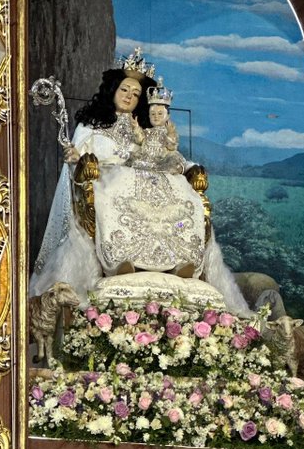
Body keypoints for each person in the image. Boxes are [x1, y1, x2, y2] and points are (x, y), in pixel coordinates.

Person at [29, 48, 248, 313]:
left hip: (149, 187)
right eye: (125, 90)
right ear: (112, 90)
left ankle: (181, 260)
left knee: (181, 199)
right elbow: (83, 164)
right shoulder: (91, 127)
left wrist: (189, 167)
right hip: (109, 186)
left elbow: (167, 155)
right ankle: (122, 259)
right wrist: (77, 157)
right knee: (113, 199)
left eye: (135, 94)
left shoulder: (147, 130)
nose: (129, 97)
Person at [130, 80, 187, 175]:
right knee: (132, 160)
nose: (156, 116)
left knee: (174, 163)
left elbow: (171, 146)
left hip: (163, 158)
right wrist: (136, 128)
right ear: (149, 116)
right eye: (153, 114)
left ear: (168, 116)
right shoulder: (148, 131)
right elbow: (140, 140)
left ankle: (160, 172)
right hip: (147, 157)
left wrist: (170, 133)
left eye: (160, 114)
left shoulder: (169, 131)